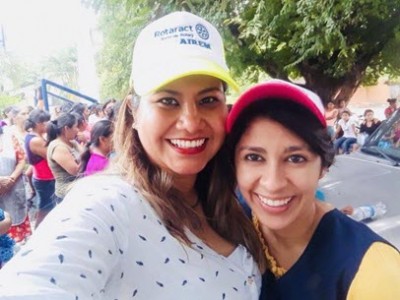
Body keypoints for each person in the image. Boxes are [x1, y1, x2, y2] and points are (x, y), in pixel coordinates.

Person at [0, 11, 264, 299]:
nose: (190, 121)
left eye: (208, 100)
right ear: (134, 112)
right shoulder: (107, 204)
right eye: (168, 101)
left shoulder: (228, 195)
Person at [226, 79, 400, 299]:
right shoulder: (227, 229)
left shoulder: (373, 272)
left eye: (295, 158)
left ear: (323, 167)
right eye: (253, 157)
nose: (273, 183)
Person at [24, 109, 55, 228]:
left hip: (42, 177)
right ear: (38, 123)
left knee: (47, 207)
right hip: (45, 179)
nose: (49, 124)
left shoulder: (34, 136)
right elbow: (52, 157)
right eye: (46, 122)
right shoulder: (36, 140)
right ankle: (37, 232)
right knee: (45, 209)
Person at [46, 112, 82, 203]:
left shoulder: (72, 142)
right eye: (76, 127)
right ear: (66, 128)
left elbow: (86, 155)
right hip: (67, 192)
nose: (78, 130)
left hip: (77, 188)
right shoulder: (58, 147)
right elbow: (76, 171)